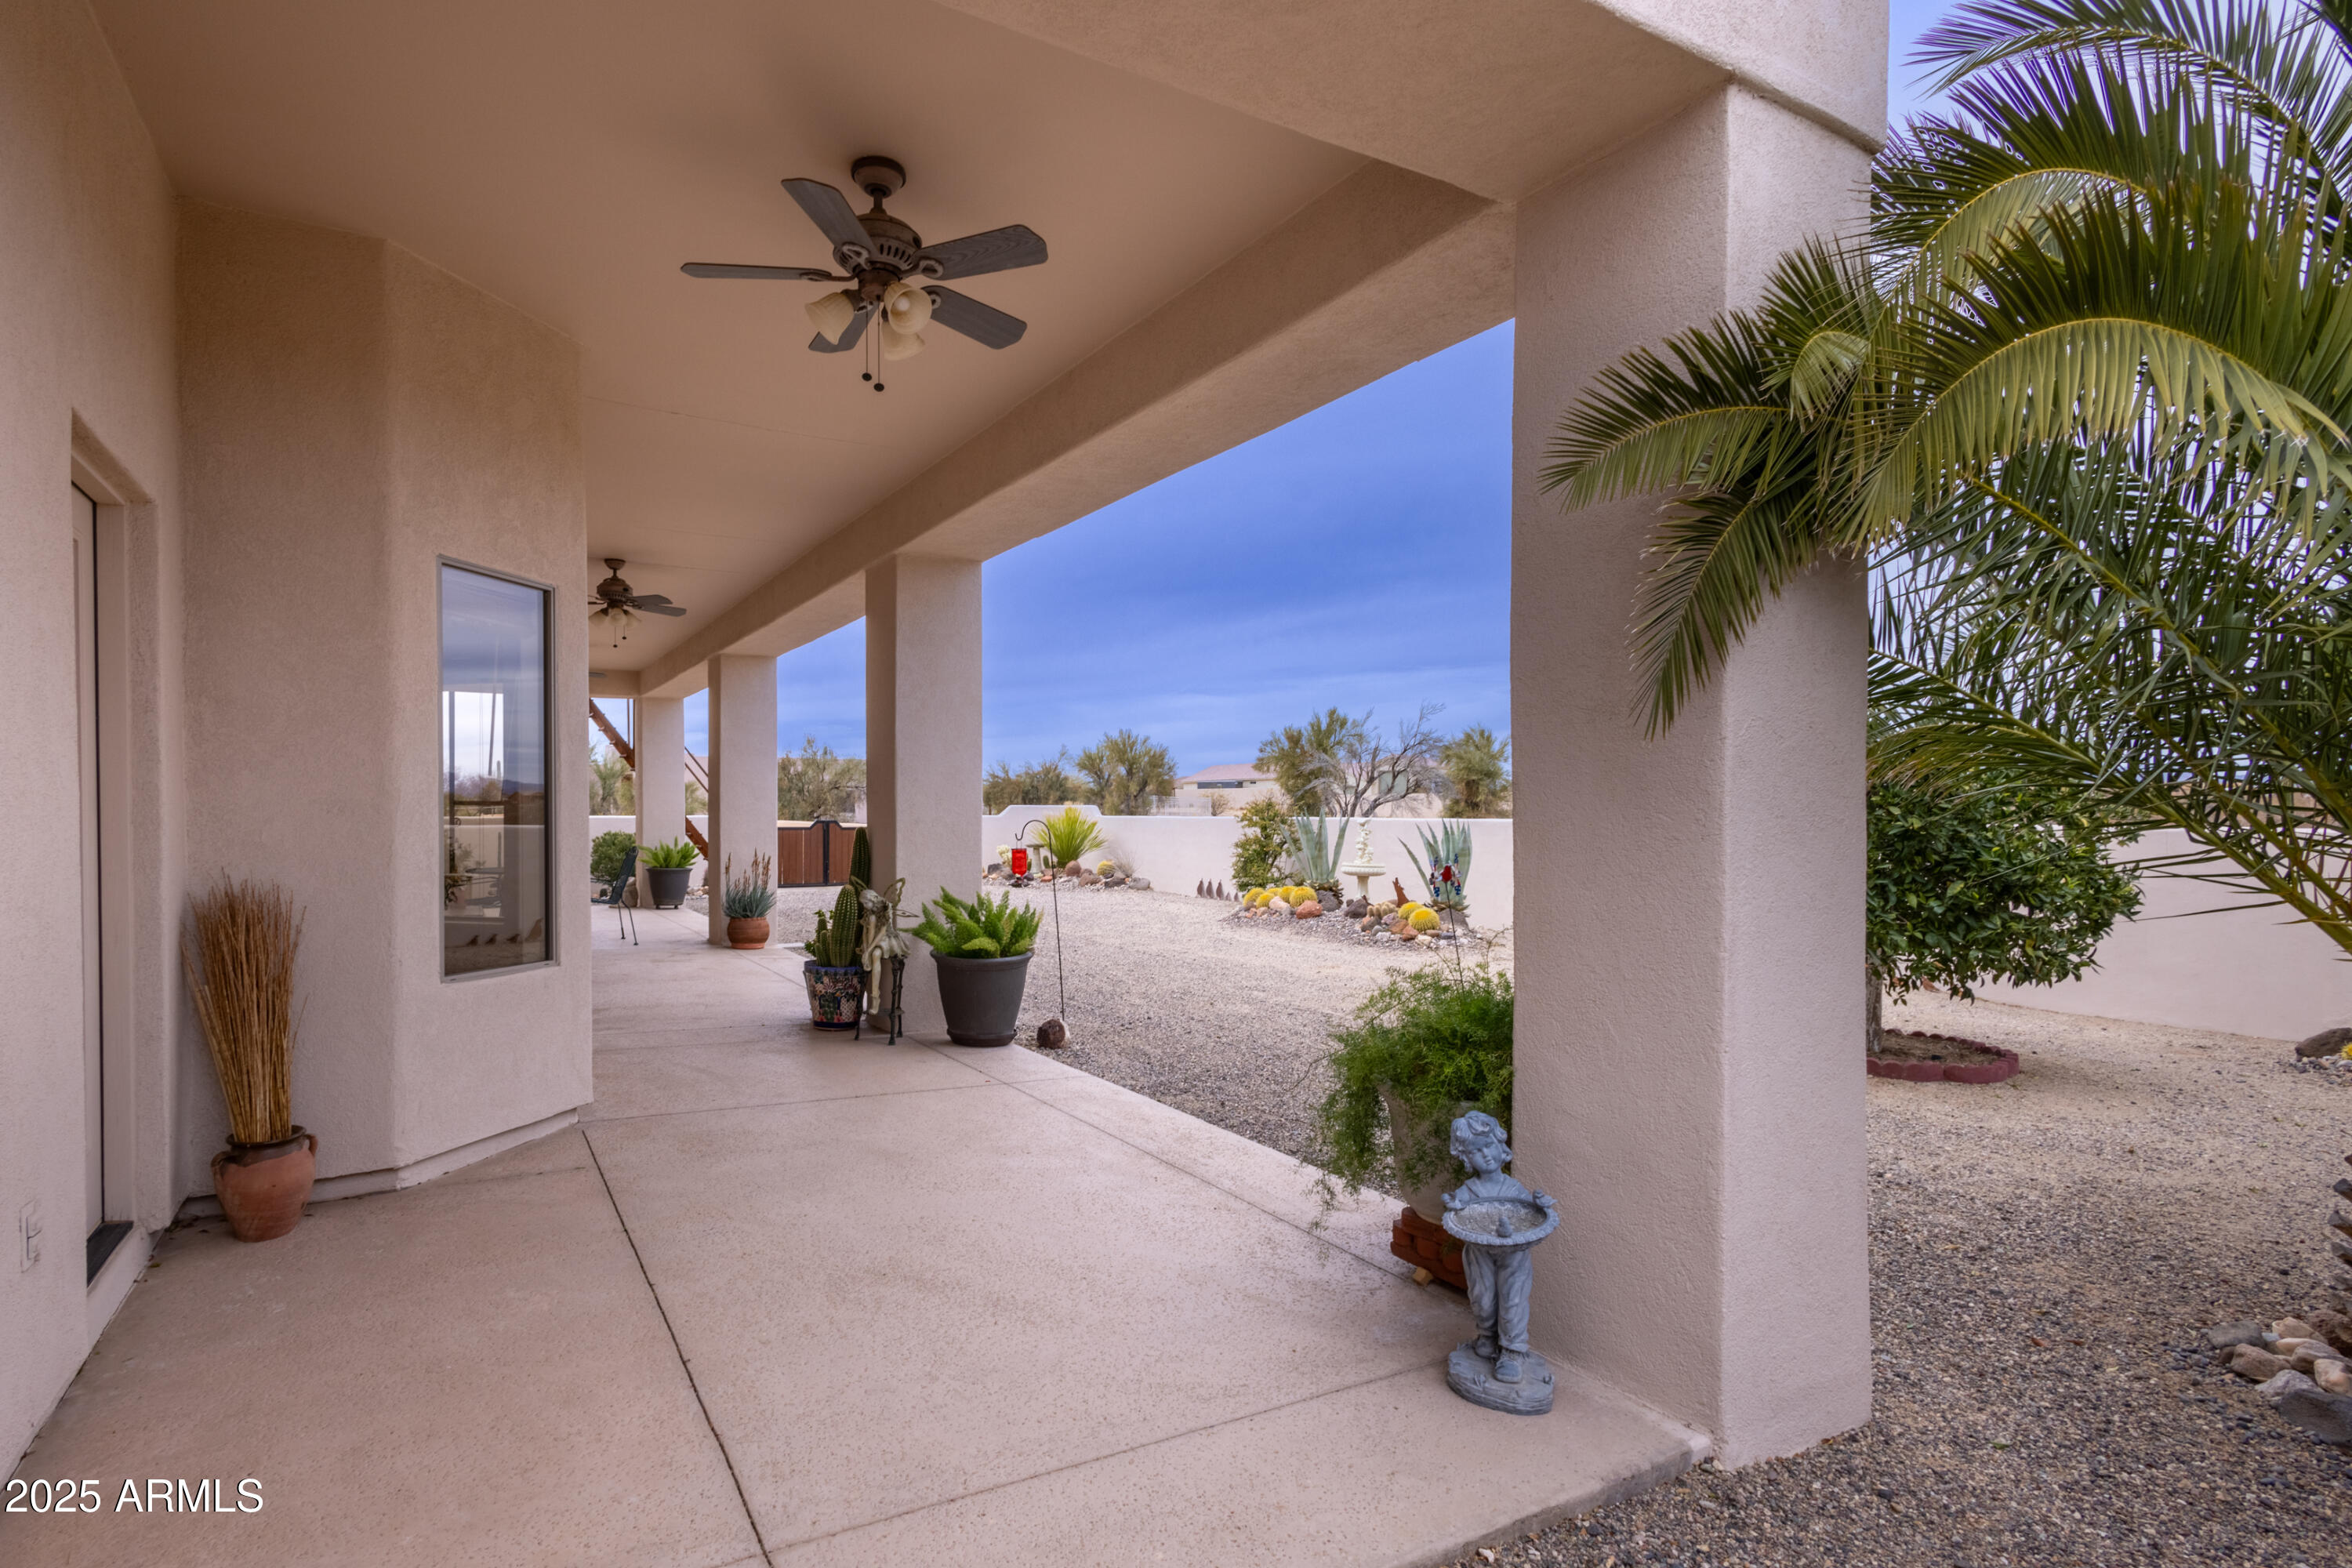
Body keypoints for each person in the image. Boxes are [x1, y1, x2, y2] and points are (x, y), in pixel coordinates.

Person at [1442, 1112, 1555, 1384]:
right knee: (1482, 1298)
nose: (1486, 1155)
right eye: (1475, 1151)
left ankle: (1512, 1351)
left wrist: (1539, 1203)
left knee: (1512, 1298)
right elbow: (1458, 1208)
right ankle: (1488, 1336)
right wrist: (1453, 1204)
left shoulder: (1512, 1188)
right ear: (1466, 1157)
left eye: (1489, 1145)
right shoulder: (1469, 1189)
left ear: (1500, 1144)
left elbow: (1528, 1211)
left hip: (1513, 1254)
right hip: (1480, 1252)